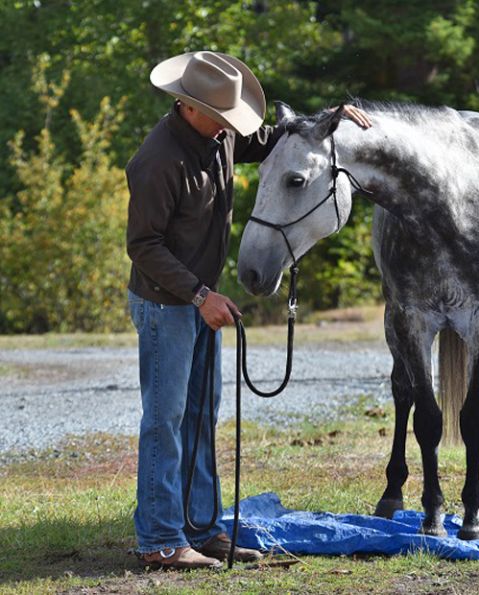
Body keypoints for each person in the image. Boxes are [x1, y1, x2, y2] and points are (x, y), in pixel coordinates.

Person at [126, 50, 371, 570]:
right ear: (190, 107)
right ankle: (160, 540)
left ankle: (201, 529)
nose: (230, 127)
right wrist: (200, 296)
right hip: (166, 304)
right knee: (165, 420)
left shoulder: (220, 135)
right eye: (221, 116)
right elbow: (143, 246)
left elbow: (278, 138)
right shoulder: (157, 161)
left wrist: (331, 117)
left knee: (200, 416)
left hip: (199, 300)